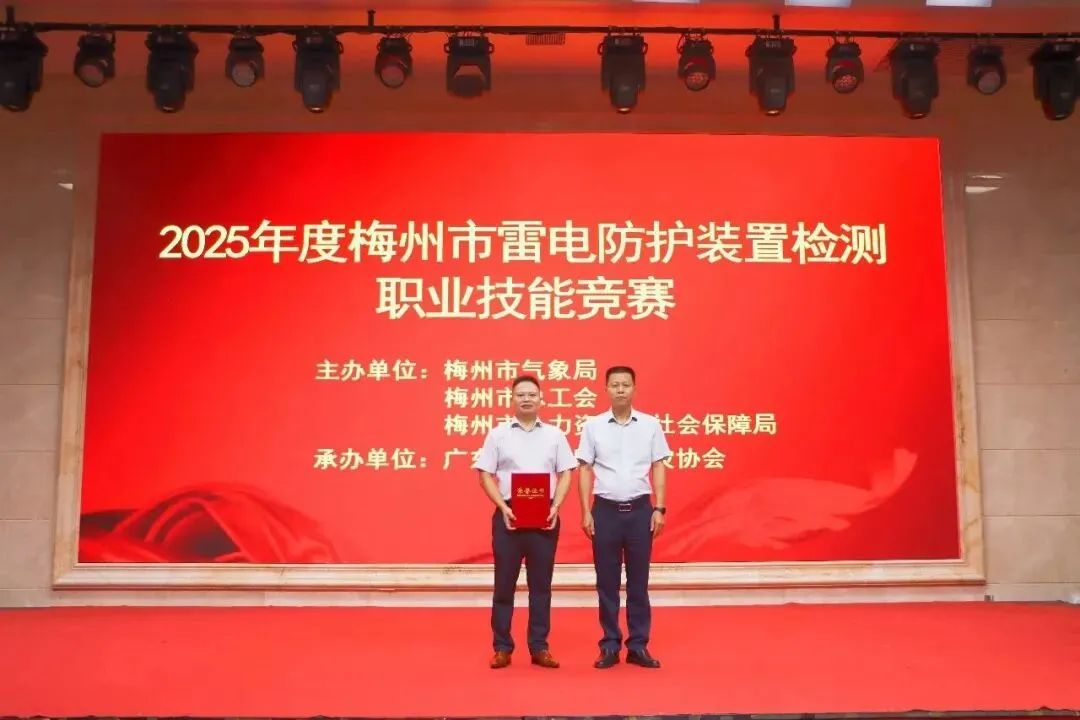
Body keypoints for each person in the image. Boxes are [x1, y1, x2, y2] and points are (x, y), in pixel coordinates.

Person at [473, 374, 578, 669]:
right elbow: (484, 474)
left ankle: (539, 646)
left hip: (544, 517)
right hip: (509, 516)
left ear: (541, 398)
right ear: (512, 399)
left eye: (532, 394)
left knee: (541, 586)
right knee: (503, 586)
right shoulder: (498, 435)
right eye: (521, 394)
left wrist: (556, 506)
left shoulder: (555, 435)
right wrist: (501, 507)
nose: (526, 399)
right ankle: (502, 647)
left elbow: (566, 472)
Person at [576, 365, 670, 669]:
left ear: (634, 389)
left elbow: (658, 465)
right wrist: (585, 511)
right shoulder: (593, 426)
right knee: (606, 583)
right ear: (606, 389)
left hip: (640, 511)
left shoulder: (651, 425)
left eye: (625, 385)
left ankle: (638, 645)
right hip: (604, 512)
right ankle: (610, 645)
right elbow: (585, 469)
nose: (620, 390)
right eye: (614, 385)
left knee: (638, 583)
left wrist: (659, 508)